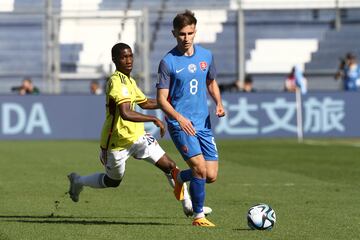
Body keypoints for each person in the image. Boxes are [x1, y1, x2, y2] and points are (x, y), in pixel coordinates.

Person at [67, 43, 211, 218]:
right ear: (114, 60)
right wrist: (153, 118)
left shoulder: (130, 80)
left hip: (139, 137)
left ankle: (189, 206)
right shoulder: (116, 82)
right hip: (117, 141)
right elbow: (126, 113)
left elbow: (144, 103)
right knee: (113, 181)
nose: (128, 60)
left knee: (170, 166)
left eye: (130, 56)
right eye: (123, 57)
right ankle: (78, 181)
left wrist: (168, 101)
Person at [156, 10, 225, 227]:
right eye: (182, 34)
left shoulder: (206, 56)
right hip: (180, 125)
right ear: (174, 33)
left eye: (190, 33)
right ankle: (198, 217)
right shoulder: (168, 62)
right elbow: (161, 100)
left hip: (202, 123)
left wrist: (219, 103)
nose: (186, 39)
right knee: (200, 169)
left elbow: (211, 82)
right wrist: (179, 118)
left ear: (195, 32)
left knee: (210, 175)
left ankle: (179, 177)